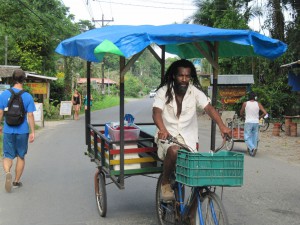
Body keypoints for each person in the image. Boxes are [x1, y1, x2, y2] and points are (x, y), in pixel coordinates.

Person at [152, 59, 231, 201]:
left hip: (189, 140)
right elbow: (156, 112)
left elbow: (209, 108)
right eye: (181, 76)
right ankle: (165, 182)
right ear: (174, 76)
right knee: (174, 150)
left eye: (187, 76)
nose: (184, 79)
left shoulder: (194, 92)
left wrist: (222, 125)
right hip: (167, 137)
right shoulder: (163, 92)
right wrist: (162, 129)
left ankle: (191, 215)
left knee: (198, 182)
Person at [0, 69, 36, 192]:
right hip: (22, 131)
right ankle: (16, 181)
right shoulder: (27, 96)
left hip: (8, 130)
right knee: (21, 156)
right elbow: (30, 115)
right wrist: (33, 132)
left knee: (7, 155)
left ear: (12, 79)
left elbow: (0, 112)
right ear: (23, 80)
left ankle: (8, 172)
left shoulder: (4, 94)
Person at [240, 91, 268, 157]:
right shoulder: (258, 104)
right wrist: (259, 117)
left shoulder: (245, 103)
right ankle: (253, 149)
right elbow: (265, 112)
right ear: (255, 97)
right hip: (256, 122)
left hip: (248, 122)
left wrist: (243, 116)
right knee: (254, 136)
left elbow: (241, 112)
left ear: (249, 97)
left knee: (246, 136)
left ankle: (252, 148)